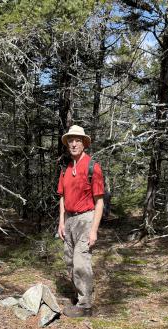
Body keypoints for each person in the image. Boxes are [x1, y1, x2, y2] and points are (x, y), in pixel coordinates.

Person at [57, 125, 104, 317]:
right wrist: (61, 222)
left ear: (84, 143)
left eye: (78, 140)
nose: (74, 144)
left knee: (80, 261)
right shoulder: (66, 168)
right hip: (69, 221)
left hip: (86, 219)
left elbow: (99, 201)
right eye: (71, 140)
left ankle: (85, 305)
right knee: (70, 261)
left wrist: (94, 230)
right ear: (68, 144)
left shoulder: (93, 167)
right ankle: (80, 295)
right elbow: (62, 197)